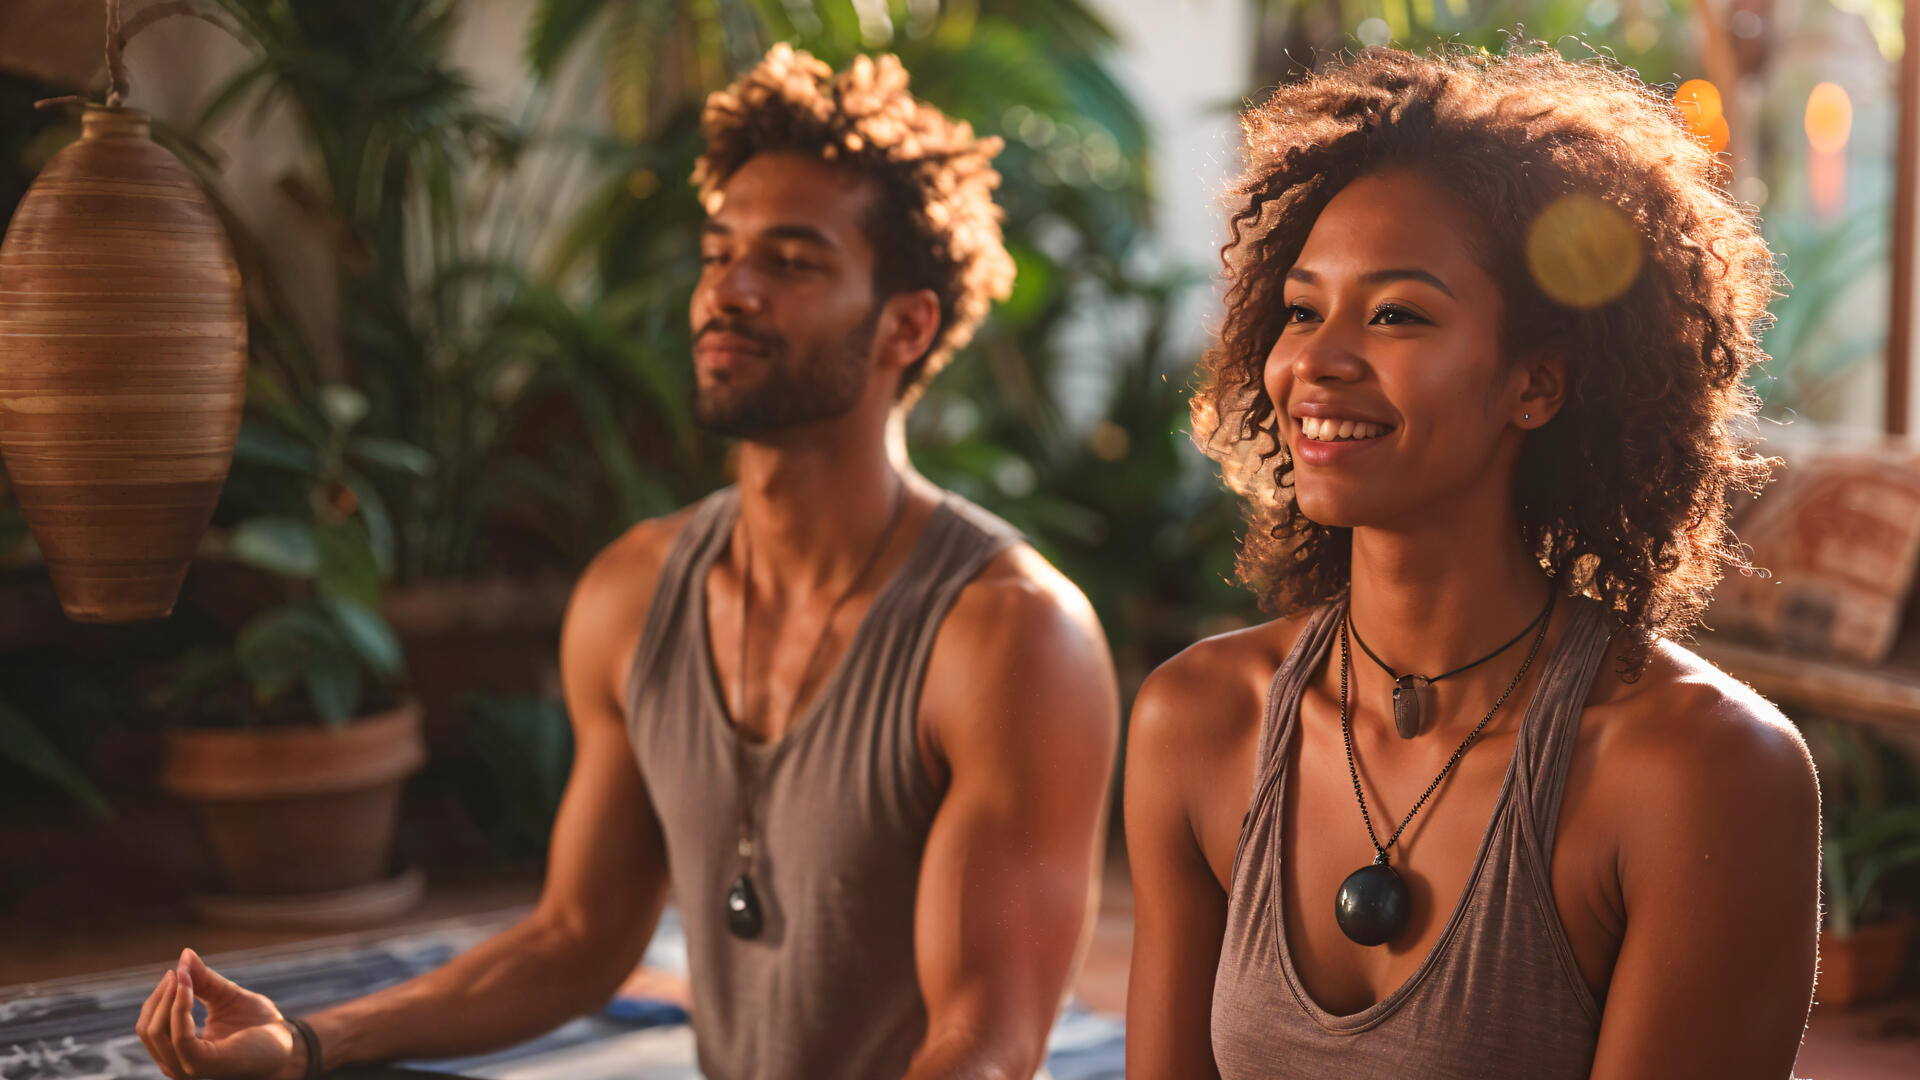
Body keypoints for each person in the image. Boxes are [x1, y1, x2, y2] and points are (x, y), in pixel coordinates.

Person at [135, 44, 1119, 1080]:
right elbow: (575, 937)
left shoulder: (1011, 635)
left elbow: (988, 1044)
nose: (728, 290)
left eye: (790, 261)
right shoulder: (633, 592)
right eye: (718, 250)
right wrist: (308, 1043)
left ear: (905, 326)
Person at [1123, 43, 1820, 1079]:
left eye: (1397, 313)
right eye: (1303, 309)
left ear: (1535, 386)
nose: (1314, 361)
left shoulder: (1698, 773)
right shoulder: (1201, 724)